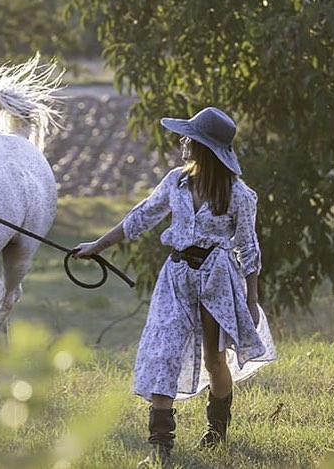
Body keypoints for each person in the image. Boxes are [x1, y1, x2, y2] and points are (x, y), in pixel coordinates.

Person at [73, 106, 276, 466]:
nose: (183, 142)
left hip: (217, 279)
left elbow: (248, 246)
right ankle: (160, 446)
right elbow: (141, 217)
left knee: (214, 360)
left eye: (190, 138)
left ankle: (217, 432)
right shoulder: (175, 182)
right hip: (177, 278)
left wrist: (252, 295)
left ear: (204, 147)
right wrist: (97, 246)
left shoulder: (238, 194)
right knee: (164, 351)